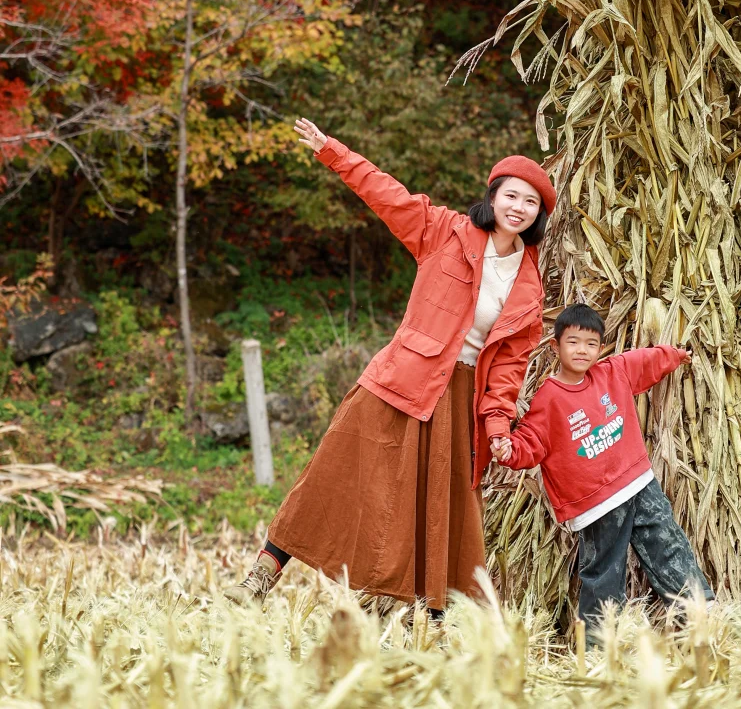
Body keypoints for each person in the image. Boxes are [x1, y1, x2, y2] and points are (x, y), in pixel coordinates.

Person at [226, 118, 552, 609]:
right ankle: (261, 575)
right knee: (333, 473)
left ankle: (432, 620)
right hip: (400, 377)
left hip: (458, 398)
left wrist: (498, 425)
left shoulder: (529, 285)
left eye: (531, 202)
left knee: (438, 509)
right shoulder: (444, 231)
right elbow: (385, 193)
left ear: (539, 215)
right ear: (493, 196)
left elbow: (508, 369)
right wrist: (332, 151)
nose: (519, 208)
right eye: (512, 196)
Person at [492, 303, 712, 642]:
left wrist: (675, 354)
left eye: (591, 344)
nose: (583, 350)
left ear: (601, 348)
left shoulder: (613, 372)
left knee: (668, 546)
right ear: (556, 347)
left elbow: (647, 362)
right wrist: (509, 450)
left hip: (638, 483)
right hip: (595, 503)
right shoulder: (549, 399)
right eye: (574, 342)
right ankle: (598, 644)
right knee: (603, 570)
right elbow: (530, 441)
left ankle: (703, 616)